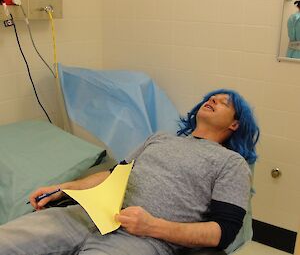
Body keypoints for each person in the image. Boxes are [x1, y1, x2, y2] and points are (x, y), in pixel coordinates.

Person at [0, 89, 259, 255]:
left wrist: (152, 226)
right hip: (86, 216)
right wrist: (64, 188)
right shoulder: (160, 139)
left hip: (140, 240)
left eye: (224, 102)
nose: (213, 99)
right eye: (212, 97)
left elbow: (222, 233)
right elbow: (113, 175)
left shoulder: (231, 163)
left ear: (235, 124)